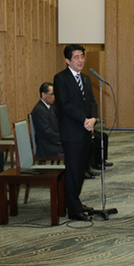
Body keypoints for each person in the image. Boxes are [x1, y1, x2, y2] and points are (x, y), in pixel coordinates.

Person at [53, 44, 98, 221]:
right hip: (71, 134)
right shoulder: (60, 78)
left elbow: (92, 102)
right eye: (76, 57)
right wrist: (84, 120)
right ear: (67, 60)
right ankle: (73, 209)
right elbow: (64, 105)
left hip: (86, 131)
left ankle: (76, 201)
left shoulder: (86, 79)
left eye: (82, 56)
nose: (81, 60)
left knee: (81, 170)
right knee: (72, 171)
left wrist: (93, 118)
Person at [31, 82, 63, 157]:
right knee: (75, 147)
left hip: (52, 142)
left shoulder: (50, 107)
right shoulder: (39, 110)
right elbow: (47, 132)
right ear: (43, 95)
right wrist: (63, 139)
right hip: (47, 146)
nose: (54, 97)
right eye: (51, 94)